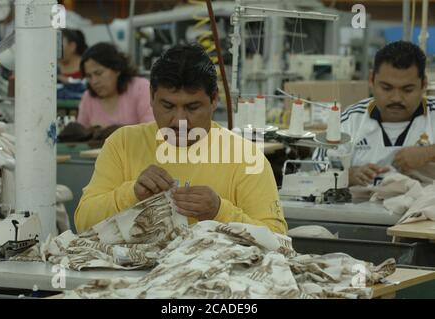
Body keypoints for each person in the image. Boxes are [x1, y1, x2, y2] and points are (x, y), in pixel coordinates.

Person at [74, 44, 287, 234]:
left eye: (192, 107)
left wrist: (220, 211)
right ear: (151, 97)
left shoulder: (245, 158)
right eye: (167, 106)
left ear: (214, 100)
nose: (179, 121)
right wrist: (131, 195)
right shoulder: (123, 144)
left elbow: (278, 239)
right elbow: (83, 222)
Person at [313, 41, 435, 186]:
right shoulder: (352, 119)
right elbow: (318, 165)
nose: (396, 98)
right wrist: (347, 175)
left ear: (424, 85)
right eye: (386, 88)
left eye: (407, 90)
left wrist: (429, 152)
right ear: (372, 80)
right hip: (361, 206)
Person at [77, 42, 154, 128]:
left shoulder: (140, 88)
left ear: (117, 69)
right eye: (89, 76)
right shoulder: (88, 98)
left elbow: (149, 131)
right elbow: (80, 134)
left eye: (99, 73)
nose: (94, 81)